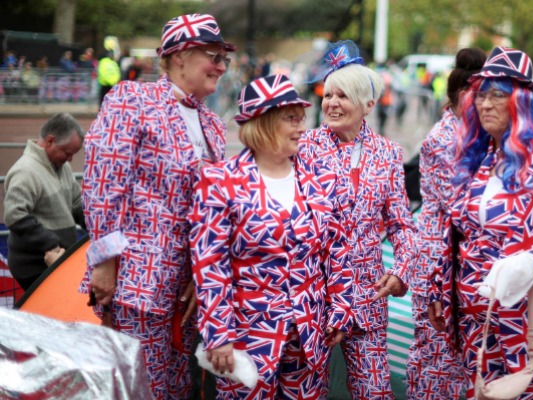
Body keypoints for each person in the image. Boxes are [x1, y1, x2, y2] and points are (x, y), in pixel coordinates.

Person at [80, 13, 235, 400]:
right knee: (142, 388)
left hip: (188, 290)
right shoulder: (133, 100)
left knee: (177, 387)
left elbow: (211, 208)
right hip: (138, 283)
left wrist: (202, 273)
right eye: (214, 56)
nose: (221, 66)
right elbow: (103, 183)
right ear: (180, 55)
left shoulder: (212, 123)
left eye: (224, 59)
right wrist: (104, 262)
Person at [427, 47, 533, 399]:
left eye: (497, 95)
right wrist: (439, 288)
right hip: (479, 327)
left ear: (520, 102)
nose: (485, 104)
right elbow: (456, 233)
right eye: (481, 95)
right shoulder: (477, 159)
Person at [190, 73, 354, 399]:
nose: (302, 127)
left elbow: (337, 249)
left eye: (301, 118)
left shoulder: (321, 179)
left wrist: (341, 308)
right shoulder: (220, 181)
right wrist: (218, 334)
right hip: (246, 339)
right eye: (291, 119)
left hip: (309, 337)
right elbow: (210, 265)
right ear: (263, 123)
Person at [300, 40, 417, 399]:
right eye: (328, 94)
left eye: (343, 96)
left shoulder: (388, 153)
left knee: (374, 391)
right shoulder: (303, 148)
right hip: (315, 295)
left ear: (368, 104)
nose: (332, 103)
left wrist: (401, 271)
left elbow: (401, 225)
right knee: (308, 391)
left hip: (369, 295)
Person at [408, 48, 486, 400]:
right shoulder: (441, 140)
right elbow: (458, 208)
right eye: (478, 96)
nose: (485, 105)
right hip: (438, 258)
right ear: (459, 97)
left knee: (462, 357)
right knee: (436, 356)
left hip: (465, 257)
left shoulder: (477, 135)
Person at [4, 113, 85, 291]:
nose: (70, 159)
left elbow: (76, 203)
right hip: (35, 266)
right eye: (67, 153)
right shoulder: (26, 171)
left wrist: (98, 226)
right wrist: (51, 244)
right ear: (50, 141)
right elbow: (14, 214)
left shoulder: (62, 167)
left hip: (57, 259)